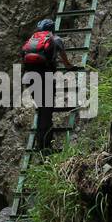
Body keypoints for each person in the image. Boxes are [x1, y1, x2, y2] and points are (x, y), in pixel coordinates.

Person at [20, 18, 75, 154]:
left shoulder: (32, 41)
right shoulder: (56, 39)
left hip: (30, 77)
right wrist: (69, 67)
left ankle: (42, 142)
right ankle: (44, 146)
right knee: (46, 112)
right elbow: (64, 59)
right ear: (52, 29)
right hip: (46, 77)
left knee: (42, 108)